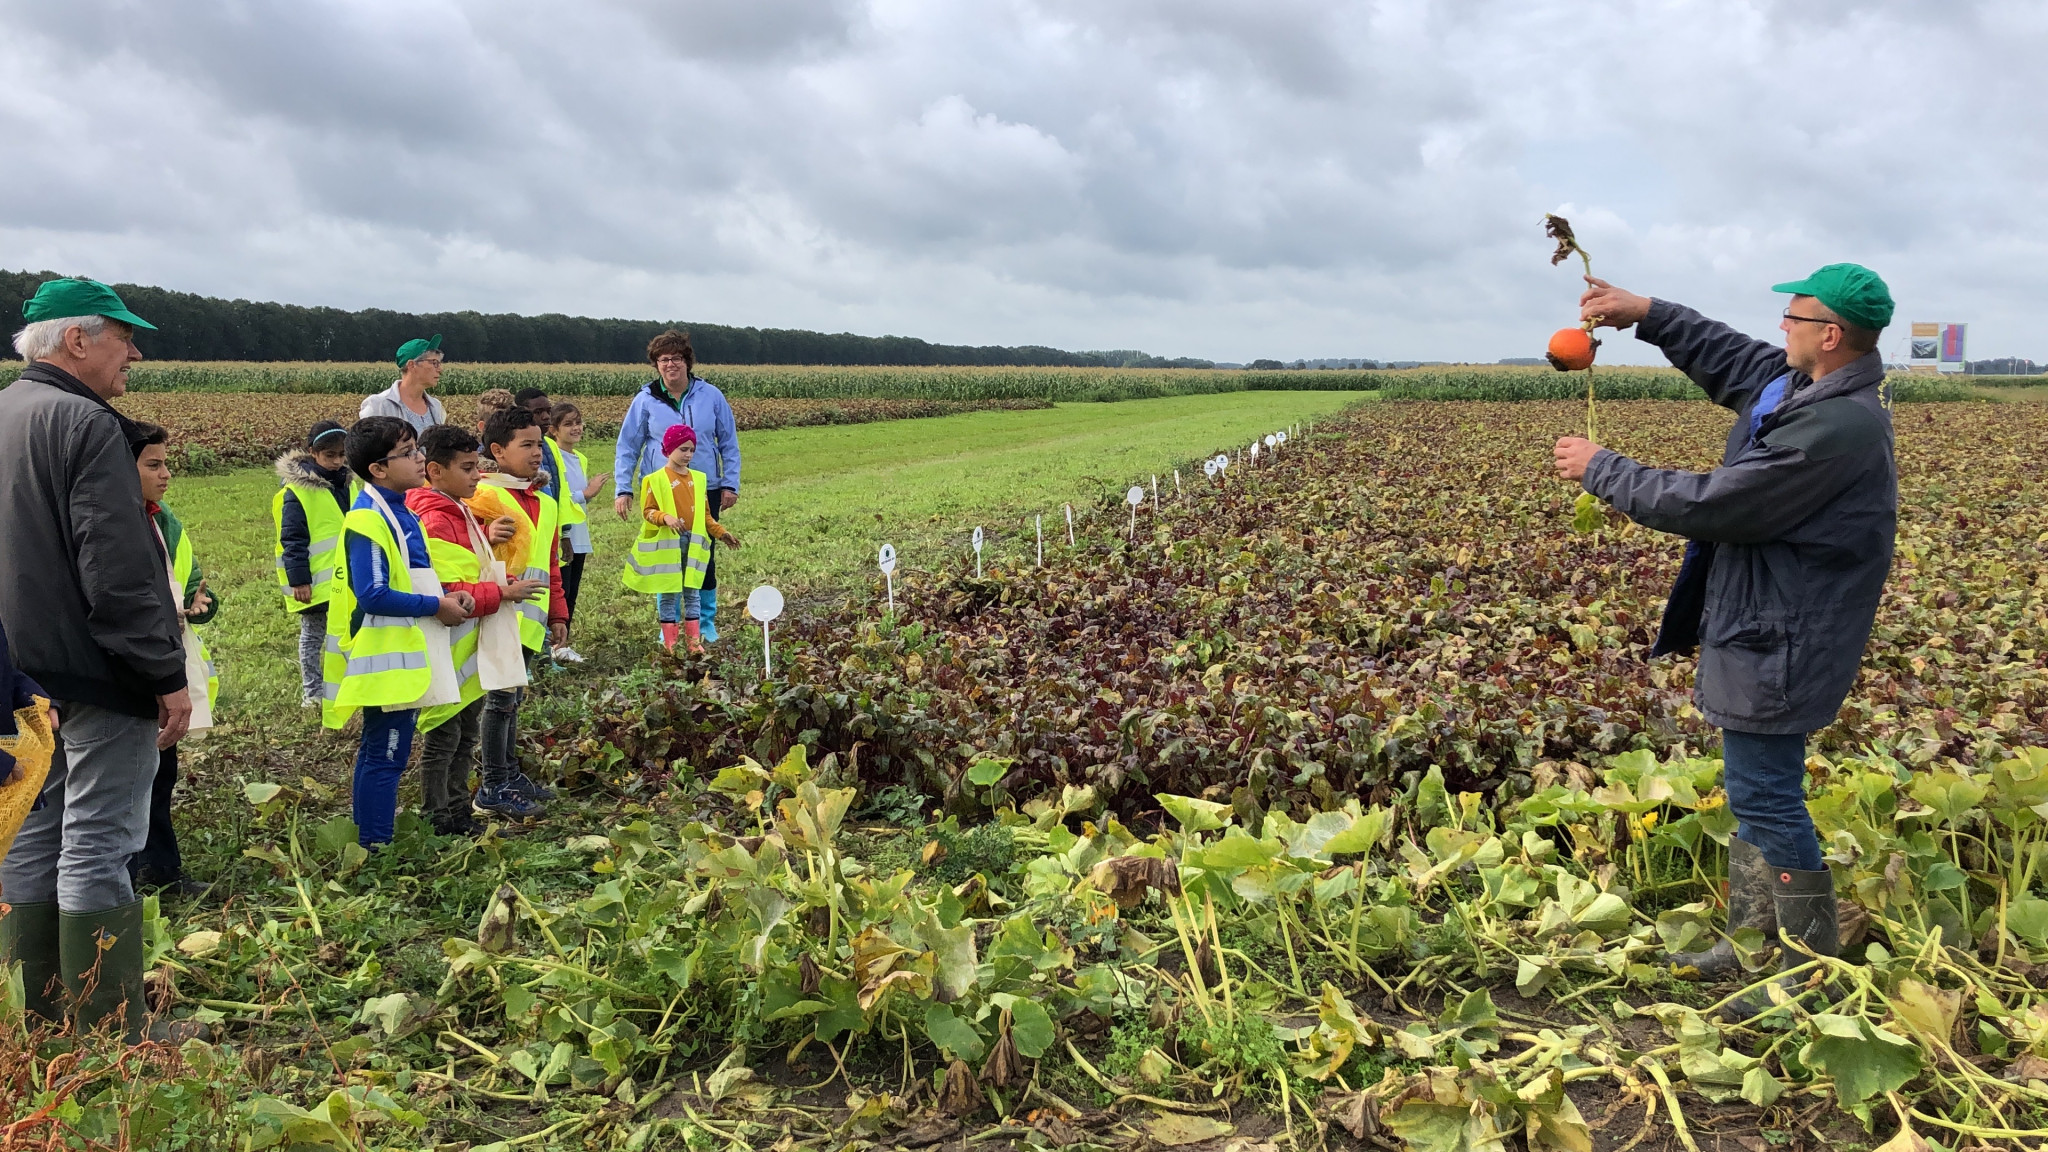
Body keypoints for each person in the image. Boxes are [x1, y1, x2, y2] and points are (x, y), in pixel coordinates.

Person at [1553, 264, 1896, 1015]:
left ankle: (1804, 970)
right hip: (1764, 619)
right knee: (1754, 795)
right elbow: (1735, 357)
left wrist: (1603, 469)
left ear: (1830, 335)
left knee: (1769, 798)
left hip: (1787, 635)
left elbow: (1720, 504)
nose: (1783, 329)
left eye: (1795, 318)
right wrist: (1646, 312)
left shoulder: (1838, 425)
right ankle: (1750, 942)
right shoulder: (1804, 387)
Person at [0, 277, 189, 1040]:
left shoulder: (8, 411)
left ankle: (38, 1013)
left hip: (22, 672)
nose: (134, 352)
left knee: (38, 830)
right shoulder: (86, 423)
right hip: (95, 669)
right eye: (122, 336)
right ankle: (112, 1030)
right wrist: (163, 675)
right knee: (101, 841)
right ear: (77, 340)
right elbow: (115, 573)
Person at [323, 417, 472, 848]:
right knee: (386, 753)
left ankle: (372, 839)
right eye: (408, 453)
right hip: (386, 658)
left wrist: (448, 594)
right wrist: (435, 605)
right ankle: (375, 845)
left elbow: (409, 576)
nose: (419, 458)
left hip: (403, 653)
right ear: (378, 469)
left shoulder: (401, 510)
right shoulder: (369, 520)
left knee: (384, 749)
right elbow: (372, 594)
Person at [408, 425, 538, 833]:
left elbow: (467, 564)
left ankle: (458, 810)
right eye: (467, 468)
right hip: (450, 647)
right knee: (445, 737)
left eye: (478, 466)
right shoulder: (434, 518)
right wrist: (501, 593)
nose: (477, 476)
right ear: (435, 471)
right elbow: (446, 588)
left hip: (466, 650)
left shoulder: (458, 509)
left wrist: (486, 537)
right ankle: (438, 816)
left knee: (464, 733)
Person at [130, 423, 217, 896]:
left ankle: (162, 871)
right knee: (135, 780)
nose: (166, 475)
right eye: (153, 465)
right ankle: (137, 874)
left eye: (167, 464)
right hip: (137, 666)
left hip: (166, 659)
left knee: (161, 774)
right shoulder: (115, 524)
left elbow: (192, 580)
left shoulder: (164, 520)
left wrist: (202, 603)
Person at [613, 330, 740, 643]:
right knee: (665, 559)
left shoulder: (711, 396)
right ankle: (667, 627)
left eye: (676, 358)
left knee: (702, 555)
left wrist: (730, 483)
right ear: (656, 365)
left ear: (688, 362)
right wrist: (623, 488)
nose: (670, 365)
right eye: (663, 359)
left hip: (703, 486)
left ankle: (705, 624)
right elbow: (628, 445)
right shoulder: (644, 400)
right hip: (663, 490)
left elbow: (728, 442)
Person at [470, 406, 565, 816]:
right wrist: (486, 534)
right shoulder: (483, 496)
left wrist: (559, 613)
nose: (537, 452)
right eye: (526, 444)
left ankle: (508, 773)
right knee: (499, 700)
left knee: (514, 698)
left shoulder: (544, 501)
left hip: (532, 619)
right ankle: (493, 783)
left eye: (539, 443)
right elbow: (457, 550)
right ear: (497, 450)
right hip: (498, 613)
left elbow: (552, 562)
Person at [623, 424, 741, 654]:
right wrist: (665, 517)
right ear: (668, 449)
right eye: (683, 449)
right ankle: (670, 643)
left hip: (693, 546)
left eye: (692, 450)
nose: (688, 455)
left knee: (692, 592)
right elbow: (648, 511)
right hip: (669, 548)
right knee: (669, 594)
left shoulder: (698, 479)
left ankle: (694, 642)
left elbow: (705, 515)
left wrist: (721, 532)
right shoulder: (655, 480)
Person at [273, 421, 353, 708]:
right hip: (316, 583)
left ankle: (343, 686)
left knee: (345, 634)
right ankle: (313, 692)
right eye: (330, 455)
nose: (337, 461)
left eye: (342, 455)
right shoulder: (299, 492)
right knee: (313, 637)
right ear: (313, 453)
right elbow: (291, 539)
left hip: (347, 579)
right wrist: (299, 580)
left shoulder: (347, 484)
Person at [545, 401, 608, 660]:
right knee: (561, 590)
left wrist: (588, 494)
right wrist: (588, 492)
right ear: (554, 430)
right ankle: (554, 646)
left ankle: (563, 645)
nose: (576, 428)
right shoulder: (553, 457)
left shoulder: (579, 458)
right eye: (568, 424)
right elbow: (560, 496)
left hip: (579, 533)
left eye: (578, 422)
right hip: (563, 534)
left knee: (572, 592)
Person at [358, 336, 447, 436]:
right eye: (434, 363)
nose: (440, 369)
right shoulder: (378, 405)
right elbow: (367, 448)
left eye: (439, 363)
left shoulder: (436, 406)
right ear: (411, 365)